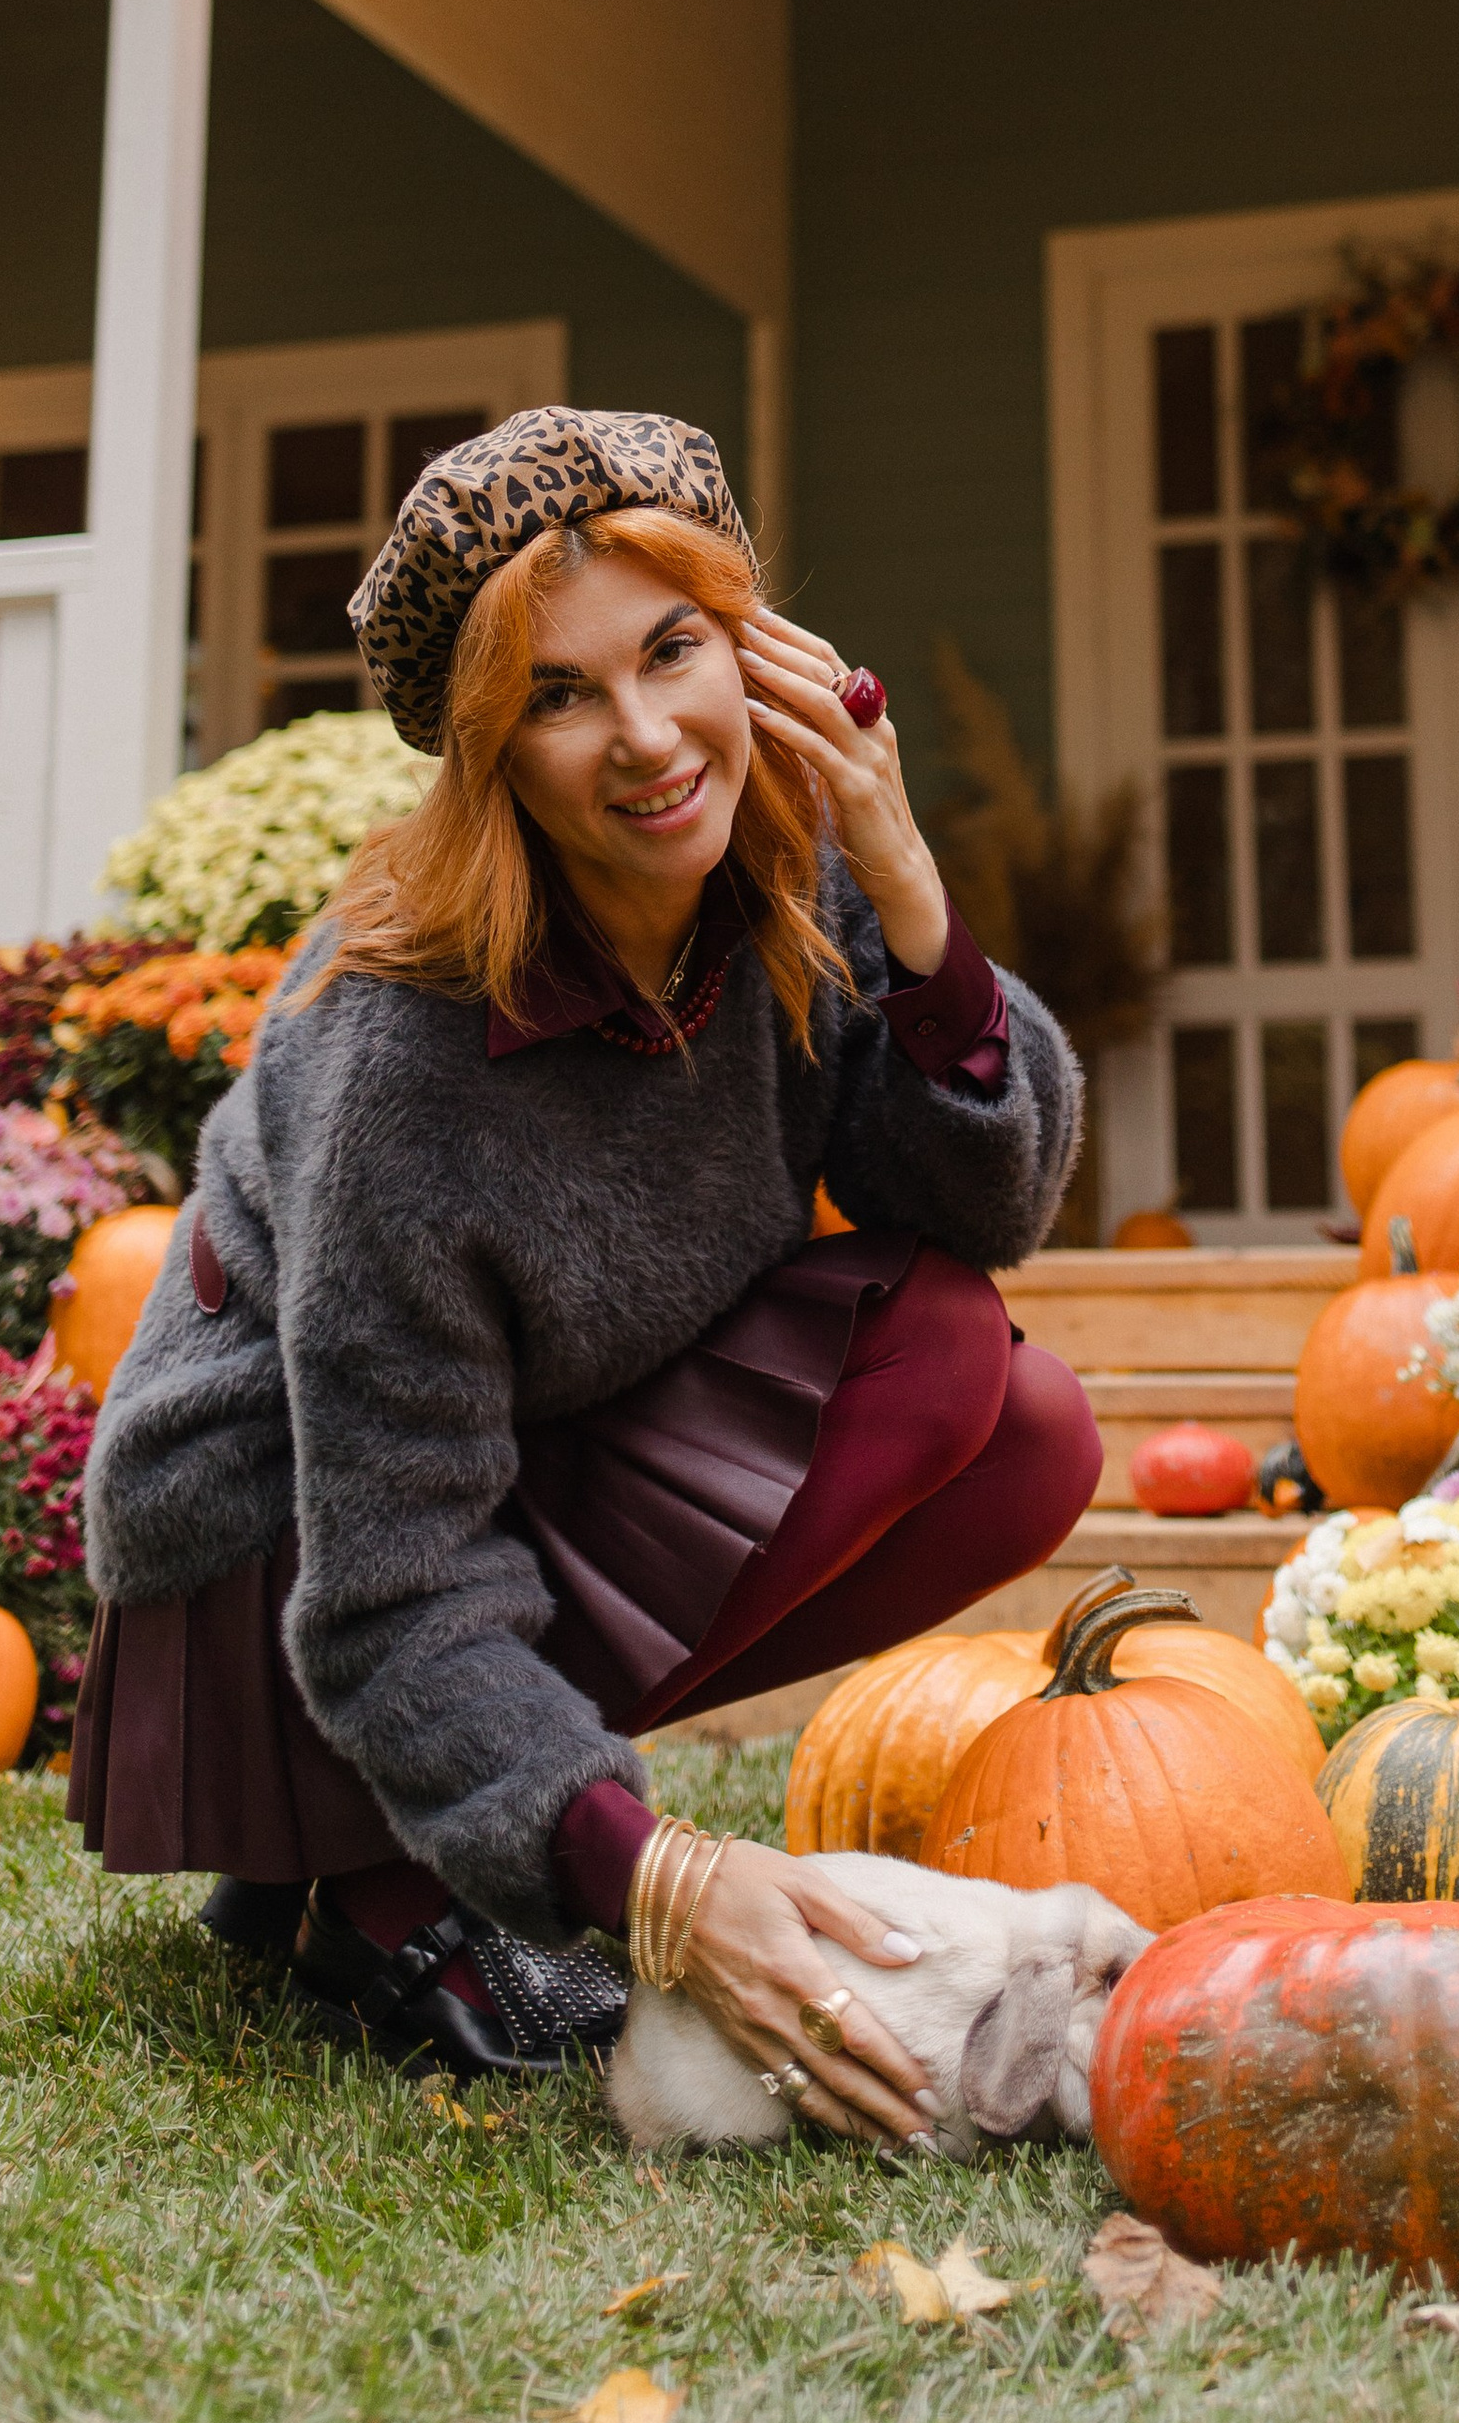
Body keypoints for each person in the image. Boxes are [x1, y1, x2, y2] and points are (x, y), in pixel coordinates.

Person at [67, 405, 1097, 2142]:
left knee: (1017, 1423)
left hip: (501, 1489)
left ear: (755, 650)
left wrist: (913, 891)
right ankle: (383, 1879)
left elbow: (977, 1205)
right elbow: (386, 1589)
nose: (644, 739)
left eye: (673, 652)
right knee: (926, 1358)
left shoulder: (789, 876)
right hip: (268, 1588)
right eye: (558, 696)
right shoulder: (403, 1054)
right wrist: (653, 1874)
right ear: (486, 752)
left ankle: (383, 1856)